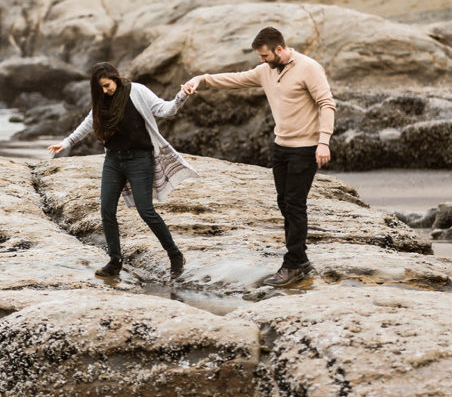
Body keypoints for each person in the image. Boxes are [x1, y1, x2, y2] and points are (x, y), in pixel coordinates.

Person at [182, 26, 335, 285]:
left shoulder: (309, 67)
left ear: (279, 49)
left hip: (306, 148)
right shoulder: (266, 71)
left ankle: (294, 263)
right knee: (284, 203)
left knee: (295, 205)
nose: (261, 61)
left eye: (264, 56)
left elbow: (326, 103)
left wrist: (324, 142)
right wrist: (202, 79)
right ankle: (301, 259)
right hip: (281, 146)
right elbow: (236, 79)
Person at [48, 62, 197, 278]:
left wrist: (181, 96)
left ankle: (175, 255)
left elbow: (166, 110)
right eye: (100, 88)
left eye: (107, 85)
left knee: (146, 210)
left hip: (140, 159)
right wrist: (67, 142)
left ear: (115, 78)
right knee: (106, 210)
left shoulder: (137, 91)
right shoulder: (102, 100)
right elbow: (90, 122)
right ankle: (115, 261)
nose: (105, 91)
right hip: (113, 161)